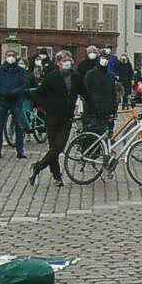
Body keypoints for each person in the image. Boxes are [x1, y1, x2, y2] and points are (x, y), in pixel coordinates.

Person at [28, 51, 83, 187]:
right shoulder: (51, 77)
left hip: (67, 117)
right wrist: (45, 106)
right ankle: (57, 176)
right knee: (54, 147)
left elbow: (84, 92)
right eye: (64, 60)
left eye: (69, 60)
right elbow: (38, 94)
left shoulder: (76, 77)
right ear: (58, 63)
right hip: (52, 116)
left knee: (59, 146)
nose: (67, 63)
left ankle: (38, 166)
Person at [0, 49, 30, 159]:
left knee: (19, 126)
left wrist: (15, 92)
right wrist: (4, 92)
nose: (11, 57)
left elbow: (24, 84)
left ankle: (20, 150)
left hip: (16, 101)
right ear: (5, 57)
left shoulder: (20, 71)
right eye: (9, 55)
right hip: (2, 101)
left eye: (13, 55)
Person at [83, 51, 121, 137]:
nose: (105, 60)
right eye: (103, 58)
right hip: (93, 112)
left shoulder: (110, 76)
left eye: (107, 58)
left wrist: (113, 111)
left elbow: (113, 94)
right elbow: (85, 93)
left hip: (106, 112)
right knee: (92, 138)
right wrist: (88, 109)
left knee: (104, 137)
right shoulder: (90, 74)